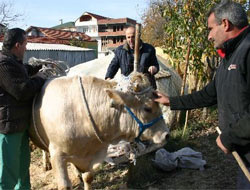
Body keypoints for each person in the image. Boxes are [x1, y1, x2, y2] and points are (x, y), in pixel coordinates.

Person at [154, 1, 250, 189]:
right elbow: (208, 95)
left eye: (210, 29)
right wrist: (170, 101)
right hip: (244, 154)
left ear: (225, 24)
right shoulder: (229, 57)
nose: (208, 36)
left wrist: (230, 137)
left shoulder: (247, 52)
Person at [0, 28, 46, 189]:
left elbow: (22, 70)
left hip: (20, 127)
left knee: (22, 173)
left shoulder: (12, 61)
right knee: (8, 175)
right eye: (25, 44)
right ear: (18, 45)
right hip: (8, 128)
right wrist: (40, 79)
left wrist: (38, 67)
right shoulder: (3, 64)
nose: (27, 47)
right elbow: (21, 91)